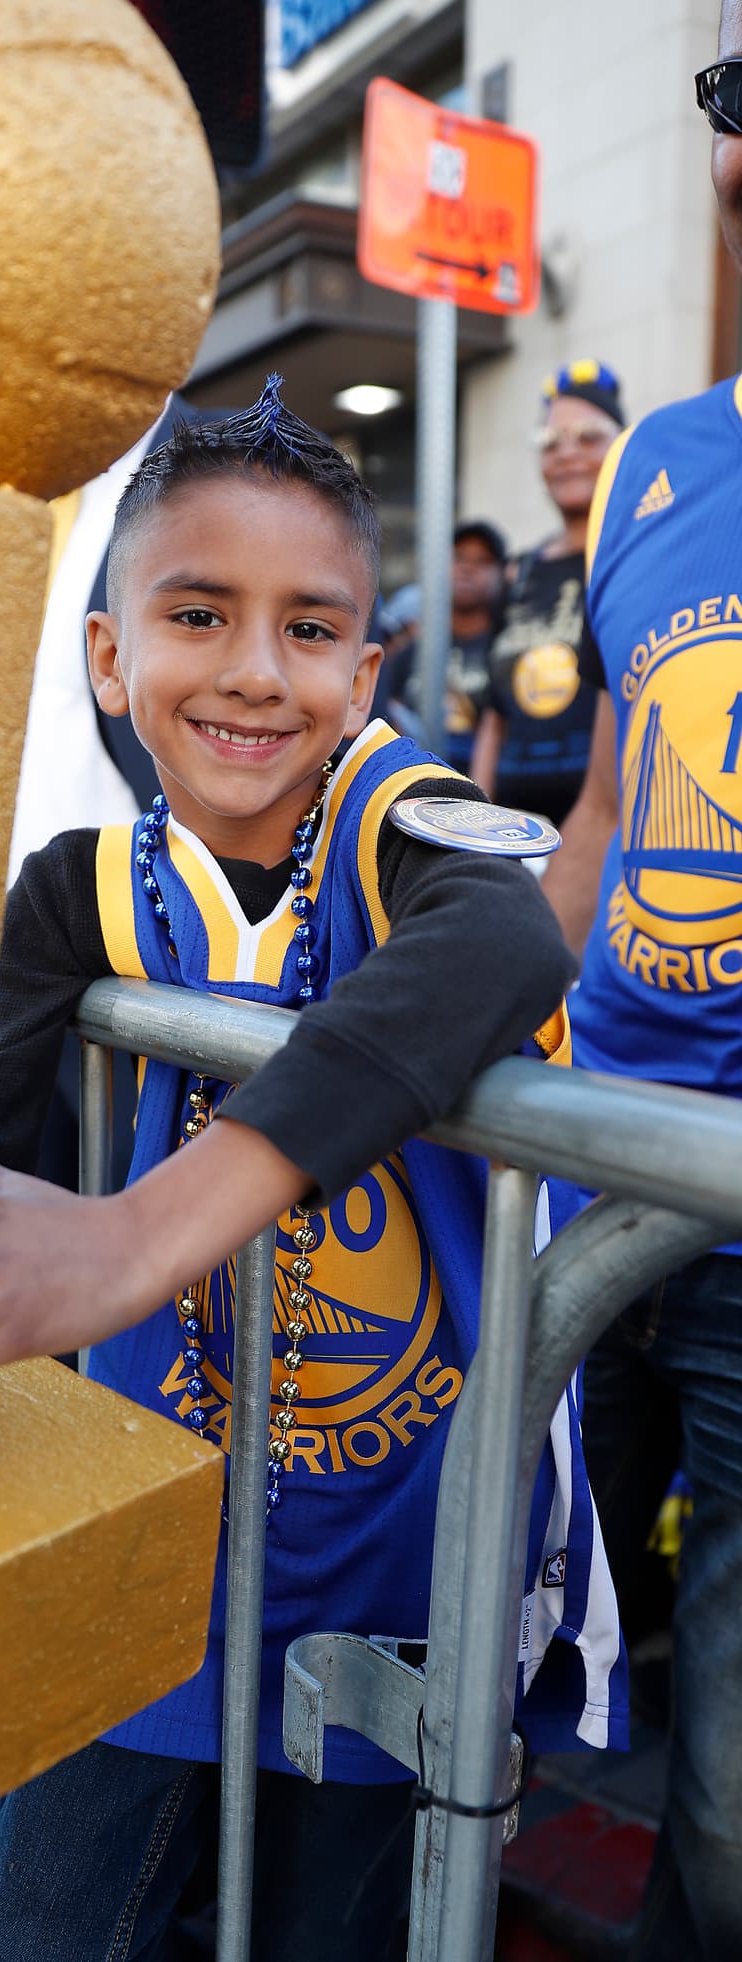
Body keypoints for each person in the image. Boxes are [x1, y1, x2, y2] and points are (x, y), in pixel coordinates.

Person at [0, 382, 622, 1961]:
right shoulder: (81, 885)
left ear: (368, 671)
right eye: (197, 612)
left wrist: (144, 1234)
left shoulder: (407, 821)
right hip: (135, 1565)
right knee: (41, 1929)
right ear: (107, 654)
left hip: (391, 1578)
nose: (255, 669)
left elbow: (508, 934)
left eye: (312, 629)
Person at [539, 18, 742, 1956]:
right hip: (592, 1148)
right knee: (538, 1608)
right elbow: (605, 790)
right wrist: (513, 1020)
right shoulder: (661, 466)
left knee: (732, 1798)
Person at [471, 363, 624, 827]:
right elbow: (495, 717)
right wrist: (480, 819)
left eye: (588, 436)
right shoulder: (519, 573)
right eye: (550, 442)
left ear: (622, 445)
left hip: (605, 828)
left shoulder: (632, 559)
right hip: (515, 832)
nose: (567, 453)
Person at [386, 521, 507, 767]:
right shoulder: (416, 649)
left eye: (482, 561)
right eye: (459, 557)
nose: (467, 569)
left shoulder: (506, 649)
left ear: (501, 573)